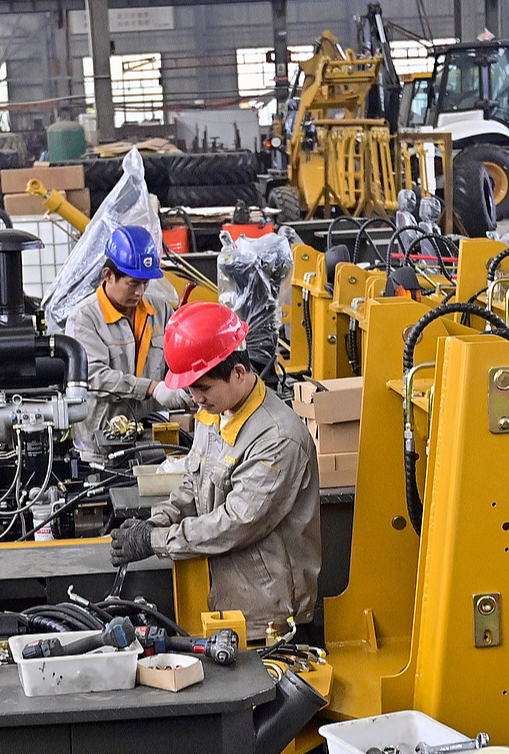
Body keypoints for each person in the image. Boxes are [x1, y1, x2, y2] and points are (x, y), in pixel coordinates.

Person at [106, 301, 320, 635]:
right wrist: (154, 521)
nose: (195, 398)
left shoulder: (277, 439)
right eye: (190, 389)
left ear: (238, 373)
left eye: (203, 388)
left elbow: (235, 523)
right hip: (226, 596)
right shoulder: (217, 411)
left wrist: (155, 541)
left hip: (268, 615)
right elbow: (193, 482)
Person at [64, 224, 182, 460]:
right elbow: (94, 376)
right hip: (102, 447)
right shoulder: (84, 319)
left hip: (154, 440)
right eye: (133, 283)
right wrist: (151, 388)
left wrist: (186, 388)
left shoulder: (160, 311)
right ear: (108, 276)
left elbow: (178, 361)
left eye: (145, 283)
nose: (140, 291)